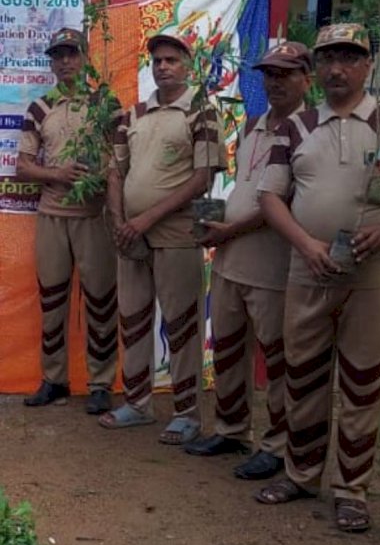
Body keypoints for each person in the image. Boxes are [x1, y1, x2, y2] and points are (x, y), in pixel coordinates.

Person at [254, 23, 380, 532]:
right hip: (307, 269)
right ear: (317, 68)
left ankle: (352, 488)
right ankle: (301, 472)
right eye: (329, 58)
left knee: (361, 380)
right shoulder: (297, 124)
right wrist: (306, 244)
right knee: (303, 373)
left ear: (368, 65)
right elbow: (271, 196)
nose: (337, 68)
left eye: (349, 58)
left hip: (368, 272)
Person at [185, 42, 312, 478]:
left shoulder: (308, 131)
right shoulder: (255, 125)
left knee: (275, 357)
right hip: (229, 259)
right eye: (269, 74)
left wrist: (231, 229)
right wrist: (218, 227)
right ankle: (231, 427)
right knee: (226, 348)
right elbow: (243, 189)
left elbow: (283, 199)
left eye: (286, 74)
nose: (275, 82)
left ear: (305, 79)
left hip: (271, 263)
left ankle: (276, 445)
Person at [101, 32, 226, 445]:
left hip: (175, 235)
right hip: (130, 237)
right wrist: (121, 220)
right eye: (157, 61)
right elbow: (116, 172)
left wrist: (147, 218)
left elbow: (203, 177)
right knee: (133, 319)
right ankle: (137, 404)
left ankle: (187, 412)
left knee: (182, 324)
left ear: (187, 65)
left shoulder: (201, 112)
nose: (163, 67)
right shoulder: (132, 115)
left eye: (172, 60)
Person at [16, 27, 118, 415]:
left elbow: (121, 157)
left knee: (101, 300)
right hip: (52, 216)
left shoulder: (104, 102)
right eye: (58, 56)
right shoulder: (40, 108)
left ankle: (100, 382)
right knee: (52, 300)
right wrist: (56, 175)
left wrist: (100, 176)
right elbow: (22, 166)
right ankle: (54, 379)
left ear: (85, 57)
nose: (65, 62)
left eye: (72, 54)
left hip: (94, 216)